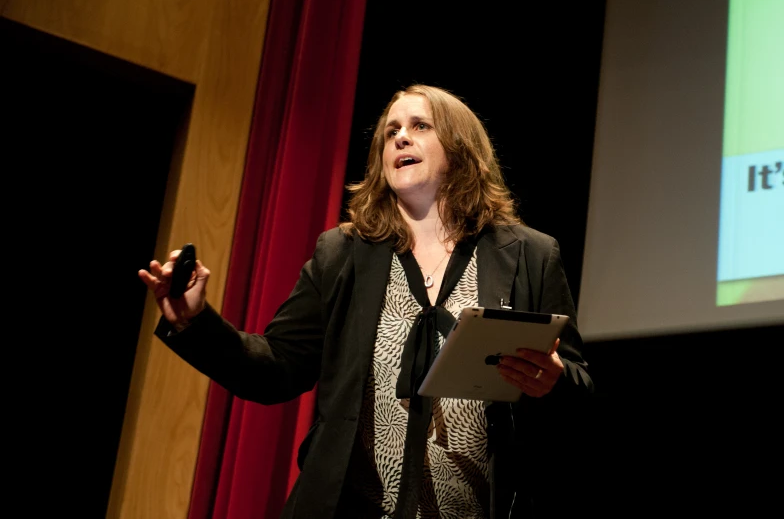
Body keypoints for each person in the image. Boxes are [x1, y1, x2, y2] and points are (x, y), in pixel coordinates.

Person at [139, 84, 594, 519]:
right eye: (390, 131)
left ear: (460, 148)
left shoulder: (529, 254)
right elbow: (276, 368)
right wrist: (194, 321)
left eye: (419, 126)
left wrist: (552, 382)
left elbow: (577, 384)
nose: (400, 137)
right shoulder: (342, 254)